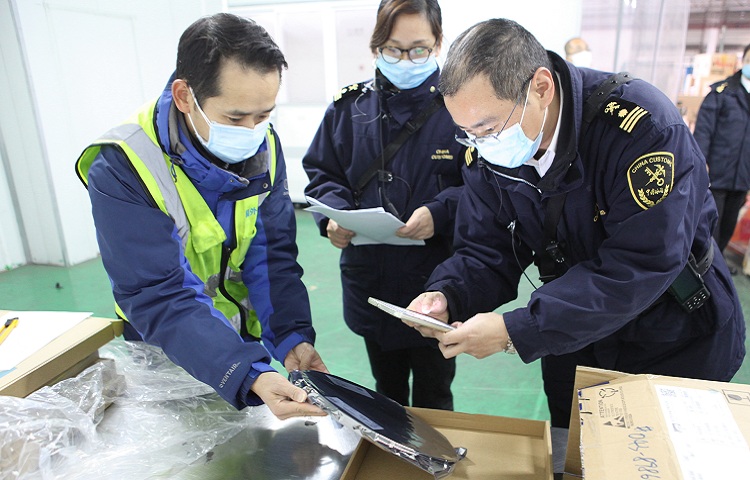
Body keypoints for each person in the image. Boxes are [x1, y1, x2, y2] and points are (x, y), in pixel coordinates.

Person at [407, 18, 746, 429]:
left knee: (660, 450)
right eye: (467, 133)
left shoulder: (641, 129)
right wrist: (449, 293)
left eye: (489, 128)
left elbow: (642, 262)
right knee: (576, 448)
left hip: (670, 332)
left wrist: (519, 329)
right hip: (574, 333)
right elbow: (486, 247)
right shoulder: (489, 152)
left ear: (541, 88)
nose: (482, 144)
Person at [75, 13, 327, 420]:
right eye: (235, 118)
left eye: (263, 115)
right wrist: (245, 371)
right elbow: (157, 292)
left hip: (240, 341)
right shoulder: (125, 165)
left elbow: (272, 255)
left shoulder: (264, 145)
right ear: (184, 96)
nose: (251, 132)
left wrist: (291, 336)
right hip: (167, 347)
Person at [302, 0, 467, 410]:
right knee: (386, 389)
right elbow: (323, 173)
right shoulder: (348, 109)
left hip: (436, 280)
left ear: (438, 43)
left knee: (434, 393)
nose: (406, 60)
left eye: (419, 49)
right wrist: (333, 219)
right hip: (371, 279)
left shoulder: (461, 107)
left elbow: (485, 185)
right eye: (394, 49)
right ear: (376, 46)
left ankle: (433, 453)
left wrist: (441, 211)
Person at [693, 44, 750, 268]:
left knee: (728, 226)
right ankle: (706, 268)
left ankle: (718, 266)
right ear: (743, 61)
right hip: (717, 173)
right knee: (710, 226)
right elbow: (703, 131)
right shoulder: (722, 93)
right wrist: (701, 162)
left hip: (743, 177)